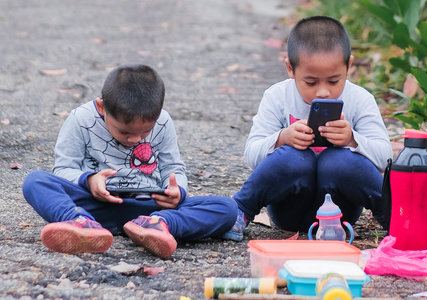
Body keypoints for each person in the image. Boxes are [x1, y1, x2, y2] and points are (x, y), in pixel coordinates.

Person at [22, 64, 237, 258]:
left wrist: (177, 190)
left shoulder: (163, 121)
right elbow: (63, 168)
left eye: (146, 132)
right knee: (35, 181)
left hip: (149, 207)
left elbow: (173, 167)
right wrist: (89, 180)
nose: (134, 139)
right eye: (124, 131)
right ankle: (80, 222)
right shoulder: (81, 119)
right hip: (96, 204)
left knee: (227, 208)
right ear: (101, 107)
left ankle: (158, 226)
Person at [221, 16, 393, 241]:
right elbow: (252, 154)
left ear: (349, 66)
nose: (323, 92)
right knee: (293, 158)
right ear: (290, 69)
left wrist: (352, 140)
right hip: (290, 211)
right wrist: (282, 138)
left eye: (333, 81)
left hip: (340, 214)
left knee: (339, 160)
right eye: (311, 82)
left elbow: (385, 157)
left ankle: (395, 220)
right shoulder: (278, 96)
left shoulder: (360, 99)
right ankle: (239, 212)